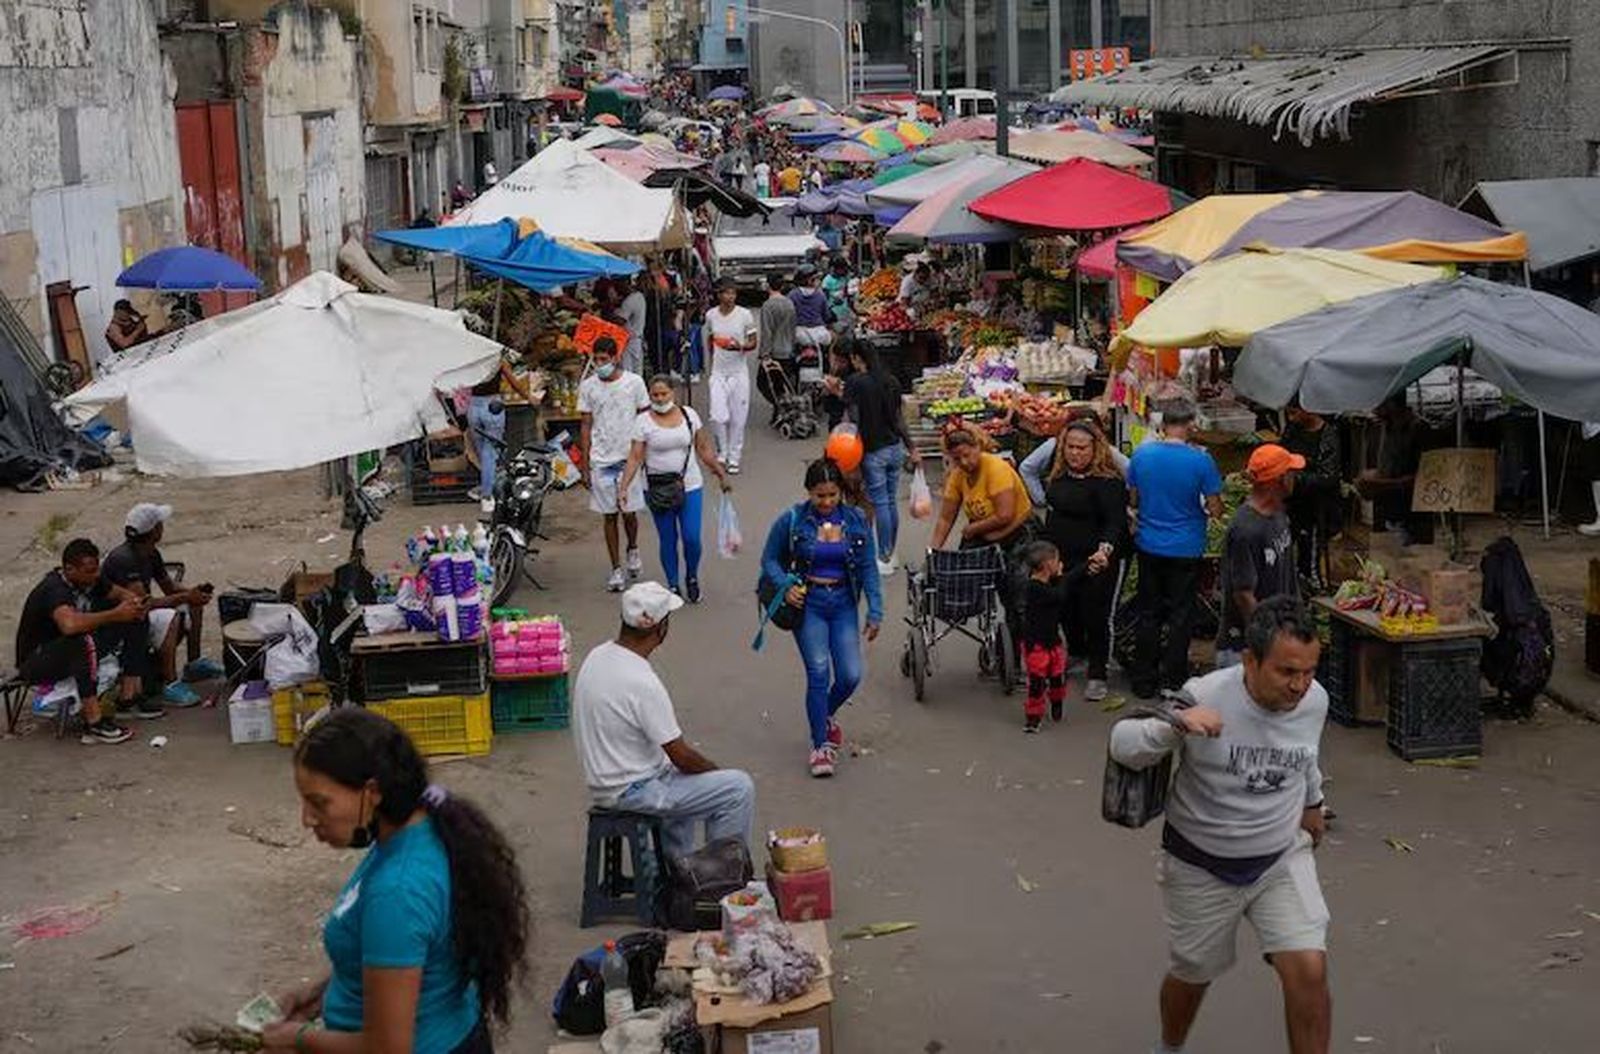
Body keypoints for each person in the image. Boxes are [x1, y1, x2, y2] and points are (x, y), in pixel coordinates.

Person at [1109, 597, 1330, 1054]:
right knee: (1193, 973)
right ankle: (1170, 1047)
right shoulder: (1206, 694)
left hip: (1279, 857)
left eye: (1309, 672)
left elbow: (1306, 753)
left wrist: (1313, 801)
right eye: (1287, 672)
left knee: (1308, 969)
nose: (1300, 686)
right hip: (1200, 864)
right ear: (1250, 661)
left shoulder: (1315, 700)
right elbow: (1122, 744)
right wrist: (1175, 725)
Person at [267, 708, 530, 1053]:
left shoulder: (398, 891)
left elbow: (388, 1048)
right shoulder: (419, 831)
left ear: (372, 792)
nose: (307, 818)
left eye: (319, 803)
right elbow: (407, 961)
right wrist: (323, 992)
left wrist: (297, 1038)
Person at [571, 582, 756, 855]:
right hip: (632, 790)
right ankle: (722, 878)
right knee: (737, 788)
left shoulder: (597, 656)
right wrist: (715, 774)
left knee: (678, 776)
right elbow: (682, 755)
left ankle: (678, 872)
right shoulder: (641, 681)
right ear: (661, 629)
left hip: (607, 780)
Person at [760, 459, 883, 778]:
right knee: (817, 671)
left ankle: (823, 714)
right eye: (819, 496)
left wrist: (875, 609)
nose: (826, 503)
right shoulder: (792, 520)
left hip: (843, 603)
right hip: (809, 604)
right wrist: (785, 585)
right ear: (808, 493)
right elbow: (769, 560)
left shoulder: (855, 520)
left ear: (840, 492)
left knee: (850, 675)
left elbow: (868, 566)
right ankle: (820, 745)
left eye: (832, 495)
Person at [1125, 400, 1224, 700]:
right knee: (1181, 614)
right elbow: (1215, 507)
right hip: (1186, 547)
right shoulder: (1201, 461)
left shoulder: (1141, 456)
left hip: (1149, 544)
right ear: (1191, 425)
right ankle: (1172, 679)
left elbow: (1133, 499)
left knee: (1149, 611)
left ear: (1163, 425)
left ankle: (1144, 680)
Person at [14, 538, 150, 741]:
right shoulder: (55, 588)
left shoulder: (91, 580)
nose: (95, 576)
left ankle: (129, 696)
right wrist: (115, 614)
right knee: (81, 640)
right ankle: (94, 721)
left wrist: (135, 604)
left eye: (96, 570)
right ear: (69, 569)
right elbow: (69, 626)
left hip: (68, 651)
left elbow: (122, 594)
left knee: (134, 619)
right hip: (37, 660)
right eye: (89, 572)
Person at [619, 375, 732, 603]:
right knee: (668, 538)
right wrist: (624, 487)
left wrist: (720, 473)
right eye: (655, 395)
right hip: (657, 489)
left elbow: (703, 448)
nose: (660, 399)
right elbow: (635, 457)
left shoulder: (689, 416)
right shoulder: (642, 422)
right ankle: (672, 584)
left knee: (692, 538)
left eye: (664, 394)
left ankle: (691, 576)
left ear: (674, 393)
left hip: (689, 485)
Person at [1040, 420, 1128, 703]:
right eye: (1070, 447)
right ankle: (1076, 653)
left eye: (1082, 448)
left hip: (1096, 561)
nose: (1075, 453)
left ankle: (1098, 672)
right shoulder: (1058, 477)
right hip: (1063, 560)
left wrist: (1104, 552)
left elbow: (1114, 523)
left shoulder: (1108, 483)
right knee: (1066, 609)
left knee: (1097, 615)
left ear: (1096, 449)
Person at [100, 502, 221, 707]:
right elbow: (144, 604)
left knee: (192, 603)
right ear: (155, 530)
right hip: (122, 624)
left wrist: (193, 593)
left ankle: (193, 664)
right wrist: (185, 597)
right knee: (171, 616)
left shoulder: (150, 552)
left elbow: (168, 586)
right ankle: (170, 682)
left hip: (139, 615)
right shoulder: (124, 559)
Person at [1215, 444, 1304, 669]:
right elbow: (1244, 595)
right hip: (1247, 650)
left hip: (1279, 639)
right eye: (1291, 472)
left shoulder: (1279, 516)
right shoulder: (1245, 530)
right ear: (1280, 480)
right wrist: (1269, 640)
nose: (1295, 478)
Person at [579, 337, 651, 593]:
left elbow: (645, 421)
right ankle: (616, 569)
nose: (599, 364)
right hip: (601, 459)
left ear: (615, 357)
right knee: (609, 516)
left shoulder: (634, 383)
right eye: (595, 359)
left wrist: (645, 456)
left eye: (603, 359)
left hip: (628, 459)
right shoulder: (588, 387)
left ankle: (632, 547)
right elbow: (586, 425)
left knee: (629, 513)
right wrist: (585, 465)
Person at [845, 342, 920, 575]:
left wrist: (852, 456)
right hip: (894, 449)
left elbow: (854, 420)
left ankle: (884, 555)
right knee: (889, 501)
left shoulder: (856, 383)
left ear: (858, 358)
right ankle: (890, 552)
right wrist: (912, 447)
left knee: (880, 502)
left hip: (872, 451)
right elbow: (899, 419)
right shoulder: (891, 381)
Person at [1018, 541, 1085, 731]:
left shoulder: (1050, 582)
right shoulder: (1034, 588)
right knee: (1037, 683)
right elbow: (1059, 595)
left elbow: (1069, 579)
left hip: (1053, 642)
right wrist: (1063, 577)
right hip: (1036, 645)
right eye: (1057, 561)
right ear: (1048, 565)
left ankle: (1056, 704)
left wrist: (1087, 565)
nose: (1060, 564)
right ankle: (1033, 717)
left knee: (1057, 677)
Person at [930, 429, 1034, 552]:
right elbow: (945, 518)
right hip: (983, 531)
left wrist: (972, 529)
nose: (963, 462)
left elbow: (1005, 515)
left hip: (1016, 532)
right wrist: (933, 550)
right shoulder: (957, 475)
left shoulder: (996, 469)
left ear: (978, 447)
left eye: (966, 455)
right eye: (957, 459)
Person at [1281, 405, 1343, 587]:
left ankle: (1313, 595)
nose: (1291, 418)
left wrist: (1296, 479)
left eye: (1294, 412)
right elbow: (1282, 455)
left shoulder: (1328, 435)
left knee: (1311, 558)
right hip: (1292, 505)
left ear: (1308, 408)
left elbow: (1329, 477)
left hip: (1317, 509)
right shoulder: (1292, 429)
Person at [702, 278, 759, 474]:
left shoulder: (745, 315)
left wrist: (739, 347)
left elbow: (753, 342)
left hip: (739, 373)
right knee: (717, 416)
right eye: (726, 293)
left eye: (733, 293)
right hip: (718, 373)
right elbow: (710, 341)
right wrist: (711, 365)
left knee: (738, 419)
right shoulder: (711, 315)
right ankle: (722, 452)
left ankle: (734, 457)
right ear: (718, 295)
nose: (730, 297)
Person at [465, 356, 537, 508]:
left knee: (482, 451)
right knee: (489, 452)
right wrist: (529, 397)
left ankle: (489, 485)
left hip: (473, 406)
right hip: (493, 405)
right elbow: (513, 381)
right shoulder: (496, 358)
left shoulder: (470, 357)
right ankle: (487, 495)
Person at [1357, 394, 1426, 544]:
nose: (1372, 409)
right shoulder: (1381, 428)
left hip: (1411, 518)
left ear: (1392, 404)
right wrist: (1371, 477)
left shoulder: (1419, 429)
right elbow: (1386, 468)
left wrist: (1380, 484)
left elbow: (1424, 479)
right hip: (1384, 514)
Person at [758, 273, 797, 391]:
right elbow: (792, 327)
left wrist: (765, 354)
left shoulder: (768, 306)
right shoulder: (789, 303)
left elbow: (767, 331)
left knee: (763, 384)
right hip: (788, 350)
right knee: (783, 383)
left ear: (768, 286)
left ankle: (780, 405)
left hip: (775, 352)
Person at [789, 265, 834, 351]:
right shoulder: (820, 294)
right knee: (834, 338)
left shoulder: (792, 295)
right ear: (810, 280)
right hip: (820, 334)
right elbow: (827, 315)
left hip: (799, 334)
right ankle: (830, 363)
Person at [616, 276, 649, 378]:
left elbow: (620, 321)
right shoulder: (640, 297)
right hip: (637, 339)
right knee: (637, 371)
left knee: (628, 372)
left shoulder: (629, 301)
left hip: (630, 341)